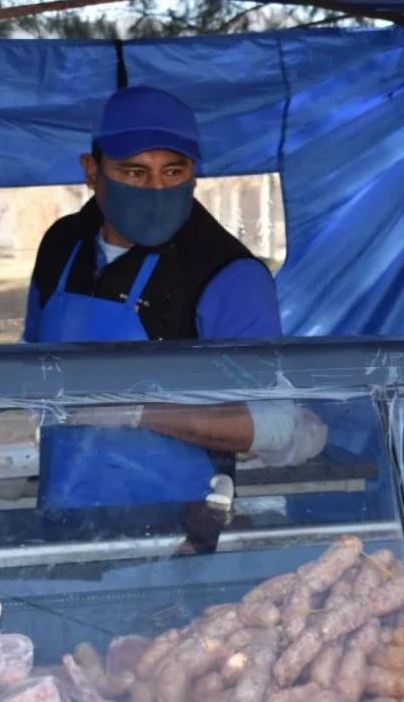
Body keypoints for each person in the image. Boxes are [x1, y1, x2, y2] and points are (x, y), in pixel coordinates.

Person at [24, 85, 314, 510]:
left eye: (173, 172)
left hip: (183, 522)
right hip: (63, 503)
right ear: (91, 171)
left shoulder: (230, 274)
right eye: (135, 173)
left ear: (193, 172)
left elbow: (274, 423)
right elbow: (32, 362)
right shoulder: (62, 244)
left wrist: (139, 413)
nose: (157, 190)